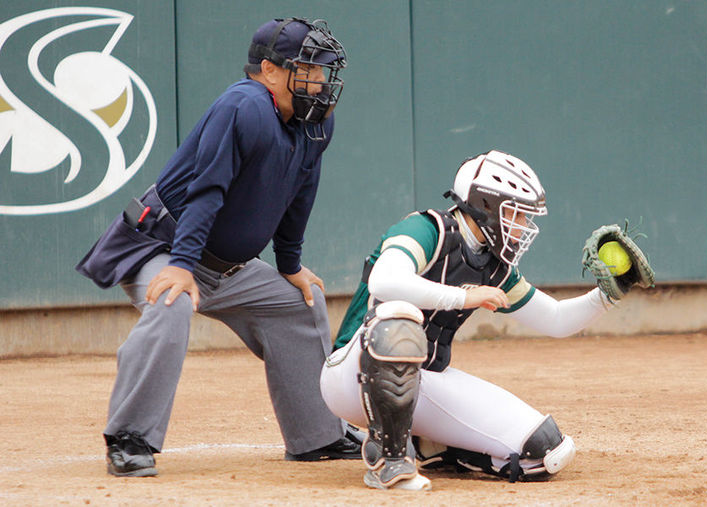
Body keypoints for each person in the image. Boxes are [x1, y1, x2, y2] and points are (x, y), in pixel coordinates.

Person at [76, 17, 363, 477]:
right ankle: (129, 437)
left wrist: (289, 264)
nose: (321, 80)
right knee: (170, 304)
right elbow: (206, 191)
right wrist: (183, 265)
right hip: (162, 247)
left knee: (299, 303)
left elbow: (299, 194)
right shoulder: (242, 107)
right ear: (270, 70)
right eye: (309, 68)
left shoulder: (315, 122)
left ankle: (318, 435)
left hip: (227, 266)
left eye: (323, 70)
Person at [319, 150, 654, 491]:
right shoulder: (427, 228)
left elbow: (555, 320)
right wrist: (465, 297)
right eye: (517, 215)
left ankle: (431, 446)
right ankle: (388, 461)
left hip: (422, 380)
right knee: (399, 321)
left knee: (544, 452)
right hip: (352, 376)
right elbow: (384, 281)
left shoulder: (493, 265)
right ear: (487, 205)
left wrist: (607, 295)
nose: (523, 226)